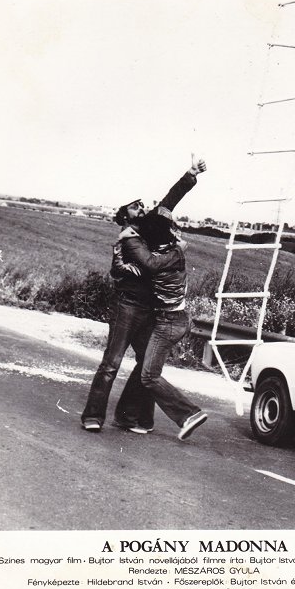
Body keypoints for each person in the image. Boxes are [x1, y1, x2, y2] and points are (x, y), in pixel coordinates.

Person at [81, 156, 206, 432]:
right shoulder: (129, 240)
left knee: (145, 366)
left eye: (141, 205)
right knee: (111, 364)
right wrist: (177, 251)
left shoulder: (147, 228)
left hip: (148, 309)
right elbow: (149, 265)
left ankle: (129, 416)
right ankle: (93, 416)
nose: (142, 208)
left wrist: (190, 175)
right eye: (135, 207)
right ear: (125, 216)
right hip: (126, 307)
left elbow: (168, 201)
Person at [115, 211, 208, 440]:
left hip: (169, 323)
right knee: (147, 370)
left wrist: (119, 242)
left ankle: (189, 414)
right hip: (174, 320)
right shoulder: (173, 251)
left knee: (148, 376)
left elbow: (143, 265)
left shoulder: (162, 259)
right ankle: (142, 420)